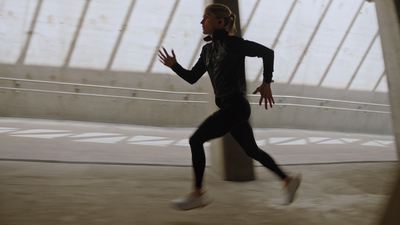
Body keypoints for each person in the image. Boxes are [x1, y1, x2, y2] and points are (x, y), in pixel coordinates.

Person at [158, 3, 301, 210]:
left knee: (195, 140)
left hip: (236, 106)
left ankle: (198, 193)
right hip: (230, 108)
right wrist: (175, 66)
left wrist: (267, 82)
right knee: (252, 150)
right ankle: (288, 180)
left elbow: (267, 53)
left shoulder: (233, 43)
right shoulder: (207, 50)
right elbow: (191, 77)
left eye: (206, 17)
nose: (202, 21)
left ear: (220, 21)